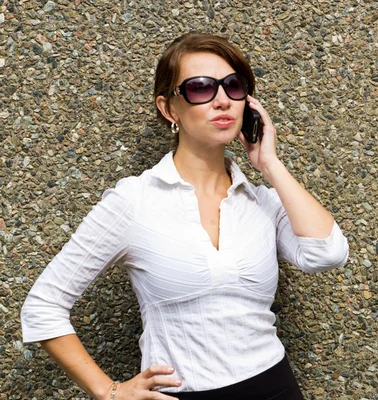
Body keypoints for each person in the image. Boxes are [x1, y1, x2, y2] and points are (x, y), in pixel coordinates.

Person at [20, 32, 349, 400]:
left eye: (233, 86)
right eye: (200, 88)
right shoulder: (135, 201)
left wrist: (269, 164)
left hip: (274, 386)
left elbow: (327, 253)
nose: (222, 100)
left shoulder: (262, 201)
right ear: (169, 108)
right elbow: (43, 306)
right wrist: (109, 391)